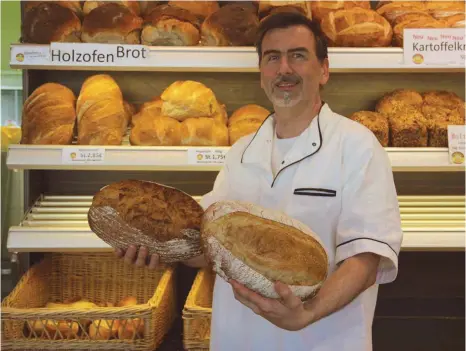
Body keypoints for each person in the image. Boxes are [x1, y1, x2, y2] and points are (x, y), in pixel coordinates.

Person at [116, 12, 403, 351]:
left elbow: (366, 259)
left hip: (321, 341)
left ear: (323, 69)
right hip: (239, 340)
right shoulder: (241, 152)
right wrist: (163, 250)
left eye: (298, 55)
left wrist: (307, 313)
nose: (284, 69)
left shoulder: (357, 147)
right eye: (272, 58)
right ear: (262, 74)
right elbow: (210, 250)